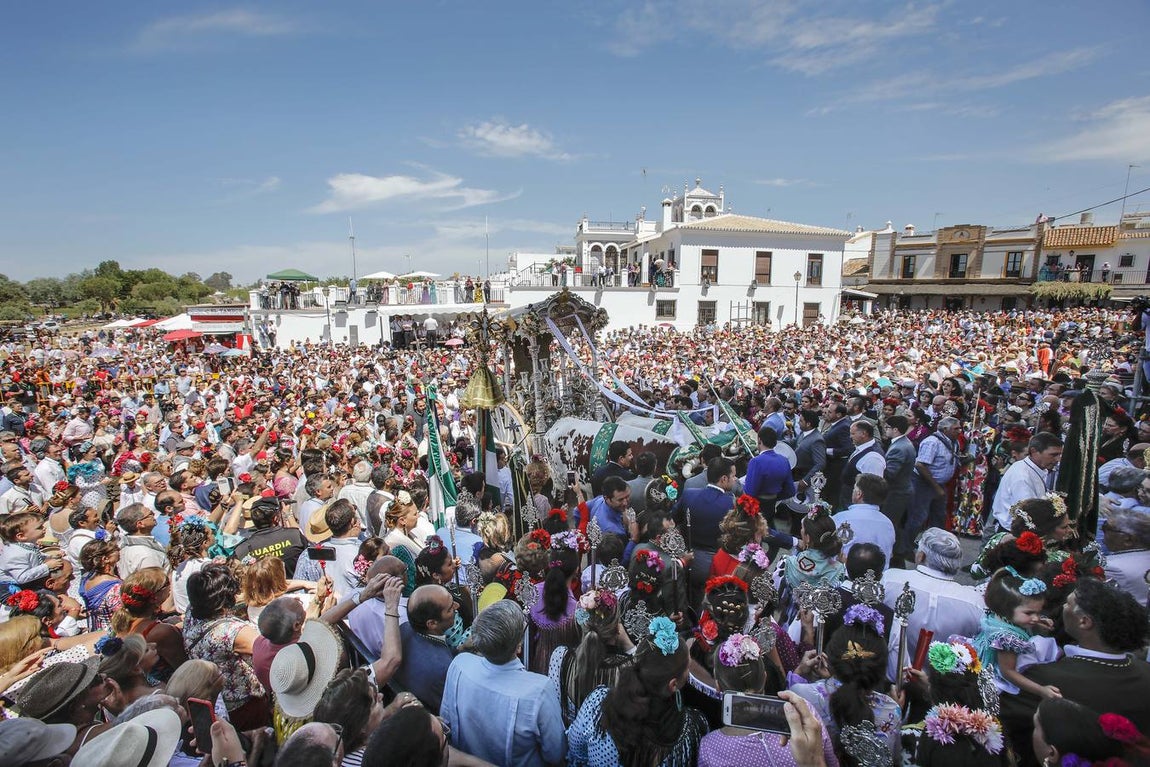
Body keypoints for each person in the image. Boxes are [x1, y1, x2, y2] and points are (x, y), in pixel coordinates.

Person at [566, 616, 708, 766]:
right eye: (687, 667)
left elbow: (576, 749)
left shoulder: (597, 704)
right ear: (673, 684)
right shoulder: (692, 730)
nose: (688, 671)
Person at [441, 600, 566, 767]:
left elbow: (446, 720)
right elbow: (555, 753)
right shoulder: (539, 691)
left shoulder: (460, 664)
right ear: (518, 646)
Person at [789, 606, 902, 761]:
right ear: (881, 668)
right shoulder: (892, 711)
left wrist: (799, 673)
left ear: (830, 658)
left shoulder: (801, 695)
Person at [882, 528, 984, 681]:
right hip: (942, 684)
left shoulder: (890, 579)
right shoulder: (974, 602)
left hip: (888, 674)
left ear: (921, 556)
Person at [183, 562, 269, 729]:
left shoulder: (191, 613)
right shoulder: (233, 632)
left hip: (218, 702)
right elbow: (270, 650)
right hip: (246, 705)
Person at [970, 568, 1061, 703]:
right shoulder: (1006, 640)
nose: (1036, 618)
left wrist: (1037, 621)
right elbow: (1008, 672)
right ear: (1006, 609)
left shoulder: (1001, 615)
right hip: (994, 676)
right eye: (1029, 613)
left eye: (1038, 612)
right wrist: (1041, 690)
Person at [394, 584, 458, 712]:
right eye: (450, 608)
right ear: (432, 623)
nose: (457, 606)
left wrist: (460, 649)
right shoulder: (443, 669)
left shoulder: (404, 629)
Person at [988, 433, 1063, 536]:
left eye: (1059, 455)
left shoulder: (1032, 469)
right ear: (1034, 451)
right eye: (1053, 455)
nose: (1058, 459)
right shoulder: (1022, 477)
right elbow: (1030, 514)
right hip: (1015, 534)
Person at [832, 473, 896, 564]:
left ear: (859, 494)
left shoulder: (841, 518)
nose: (853, 491)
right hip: (878, 572)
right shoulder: (888, 524)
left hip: (844, 571)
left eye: (854, 488)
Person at [743, 426, 796, 523]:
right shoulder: (784, 461)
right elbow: (790, 490)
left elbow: (750, 492)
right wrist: (774, 497)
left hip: (756, 509)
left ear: (759, 440)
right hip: (771, 506)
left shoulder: (756, 462)